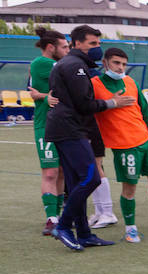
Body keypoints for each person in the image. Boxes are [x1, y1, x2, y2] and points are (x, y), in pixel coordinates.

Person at [45, 24, 134, 250]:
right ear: (77, 43)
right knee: (91, 178)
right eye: (92, 44)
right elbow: (84, 104)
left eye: (98, 44)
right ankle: (64, 226)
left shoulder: (74, 64)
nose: (97, 48)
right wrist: (113, 103)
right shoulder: (75, 65)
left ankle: (84, 233)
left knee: (77, 181)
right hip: (69, 129)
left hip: (68, 128)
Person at [90, 47, 148, 242]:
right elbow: (85, 107)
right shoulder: (94, 84)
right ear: (105, 62)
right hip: (124, 146)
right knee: (129, 188)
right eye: (116, 63)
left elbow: (145, 111)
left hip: (144, 141)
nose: (120, 68)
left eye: (124, 64)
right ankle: (130, 229)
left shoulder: (130, 81)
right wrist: (111, 102)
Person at [28, 29, 68, 235]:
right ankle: (51, 219)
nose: (67, 51)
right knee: (50, 172)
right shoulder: (41, 63)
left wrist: (40, 94)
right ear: (51, 48)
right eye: (64, 47)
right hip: (46, 125)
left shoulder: (58, 64)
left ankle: (58, 216)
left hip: (65, 124)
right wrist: (43, 96)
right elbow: (66, 76)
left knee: (61, 172)